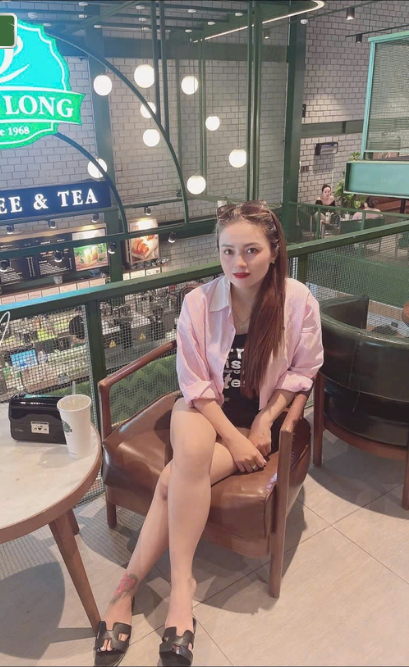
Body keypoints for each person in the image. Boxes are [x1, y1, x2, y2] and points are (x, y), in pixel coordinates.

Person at [94, 201, 324, 667]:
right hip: (203, 409)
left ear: (274, 250)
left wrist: (264, 420)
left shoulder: (298, 300)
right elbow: (195, 384)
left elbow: (304, 370)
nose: (239, 263)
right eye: (227, 251)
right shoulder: (198, 303)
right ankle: (183, 590)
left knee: (171, 480)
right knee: (193, 456)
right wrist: (235, 440)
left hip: (254, 417)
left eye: (251, 250)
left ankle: (125, 590)